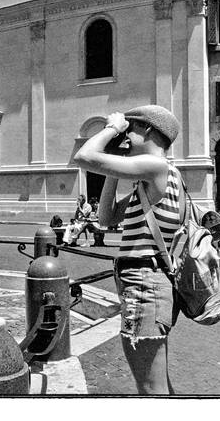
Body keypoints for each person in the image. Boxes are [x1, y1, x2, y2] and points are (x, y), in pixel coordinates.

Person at [73, 104, 183, 394]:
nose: (125, 133)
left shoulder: (157, 166)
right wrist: (115, 162)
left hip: (145, 284)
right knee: (157, 383)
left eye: (130, 128)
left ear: (147, 129)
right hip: (148, 284)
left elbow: (84, 156)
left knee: (150, 387)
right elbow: (106, 218)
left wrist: (111, 128)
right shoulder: (155, 180)